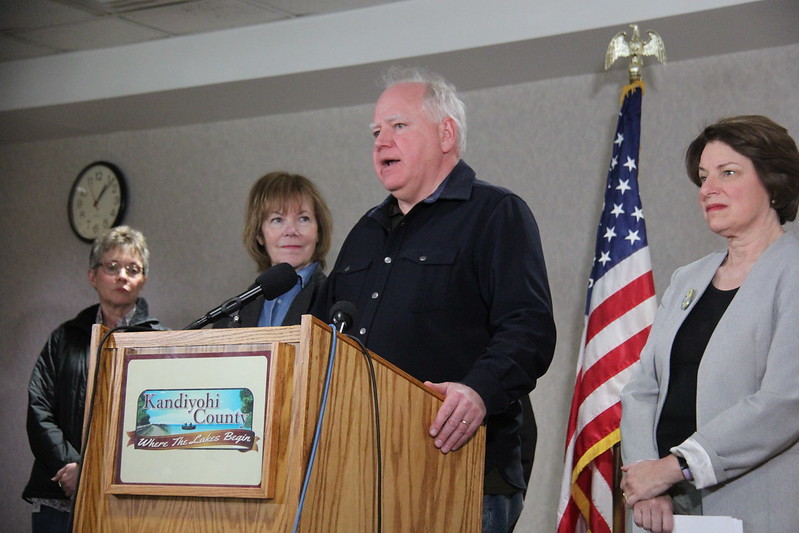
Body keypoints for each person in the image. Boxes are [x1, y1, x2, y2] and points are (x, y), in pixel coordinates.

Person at [313, 67, 556, 532]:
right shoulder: (364, 232)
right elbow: (328, 337)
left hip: (461, 468)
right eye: (376, 132)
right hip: (362, 471)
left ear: (446, 134)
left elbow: (529, 328)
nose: (382, 141)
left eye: (399, 126)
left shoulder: (495, 213)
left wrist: (479, 390)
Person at [620, 115, 799, 533]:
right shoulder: (688, 278)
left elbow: (785, 401)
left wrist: (676, 466)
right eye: (703, 177)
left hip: (757, 505)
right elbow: (642, 388)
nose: (707, 189)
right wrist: (650, 480)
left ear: (773, 183)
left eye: (728, 173)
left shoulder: (793, 272)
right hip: (663, 510)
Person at [23, 226, 164, 532]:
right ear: (93, 276)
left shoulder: (161, 341)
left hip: (129, 497)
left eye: (132, 269)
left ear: (144, 280)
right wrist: (72, 468)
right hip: (60, 491)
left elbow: (163, 422)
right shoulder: (65, 337)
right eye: (112, 267)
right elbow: (39, 408)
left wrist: (96, 474)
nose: (122, 276)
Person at [215, 171, 332, 328]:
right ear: (259, 235)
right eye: (277, 220)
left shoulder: (335, 301)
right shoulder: (233, 314)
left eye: (303, 219)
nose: (291, 230)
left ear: (318, 231)